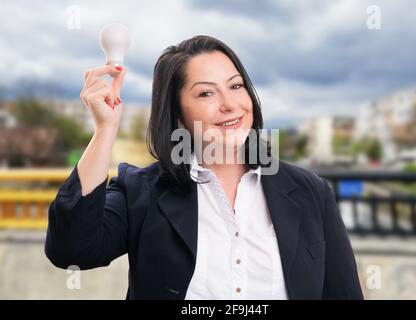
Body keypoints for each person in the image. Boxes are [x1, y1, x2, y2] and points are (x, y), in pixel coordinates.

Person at [45, 35, 363, 300]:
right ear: (178, 114)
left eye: (236, 86)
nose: (230, 104)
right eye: (207, 92)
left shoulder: (310, 192)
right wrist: (105, 131)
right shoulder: (140, 191)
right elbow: (72, 251)